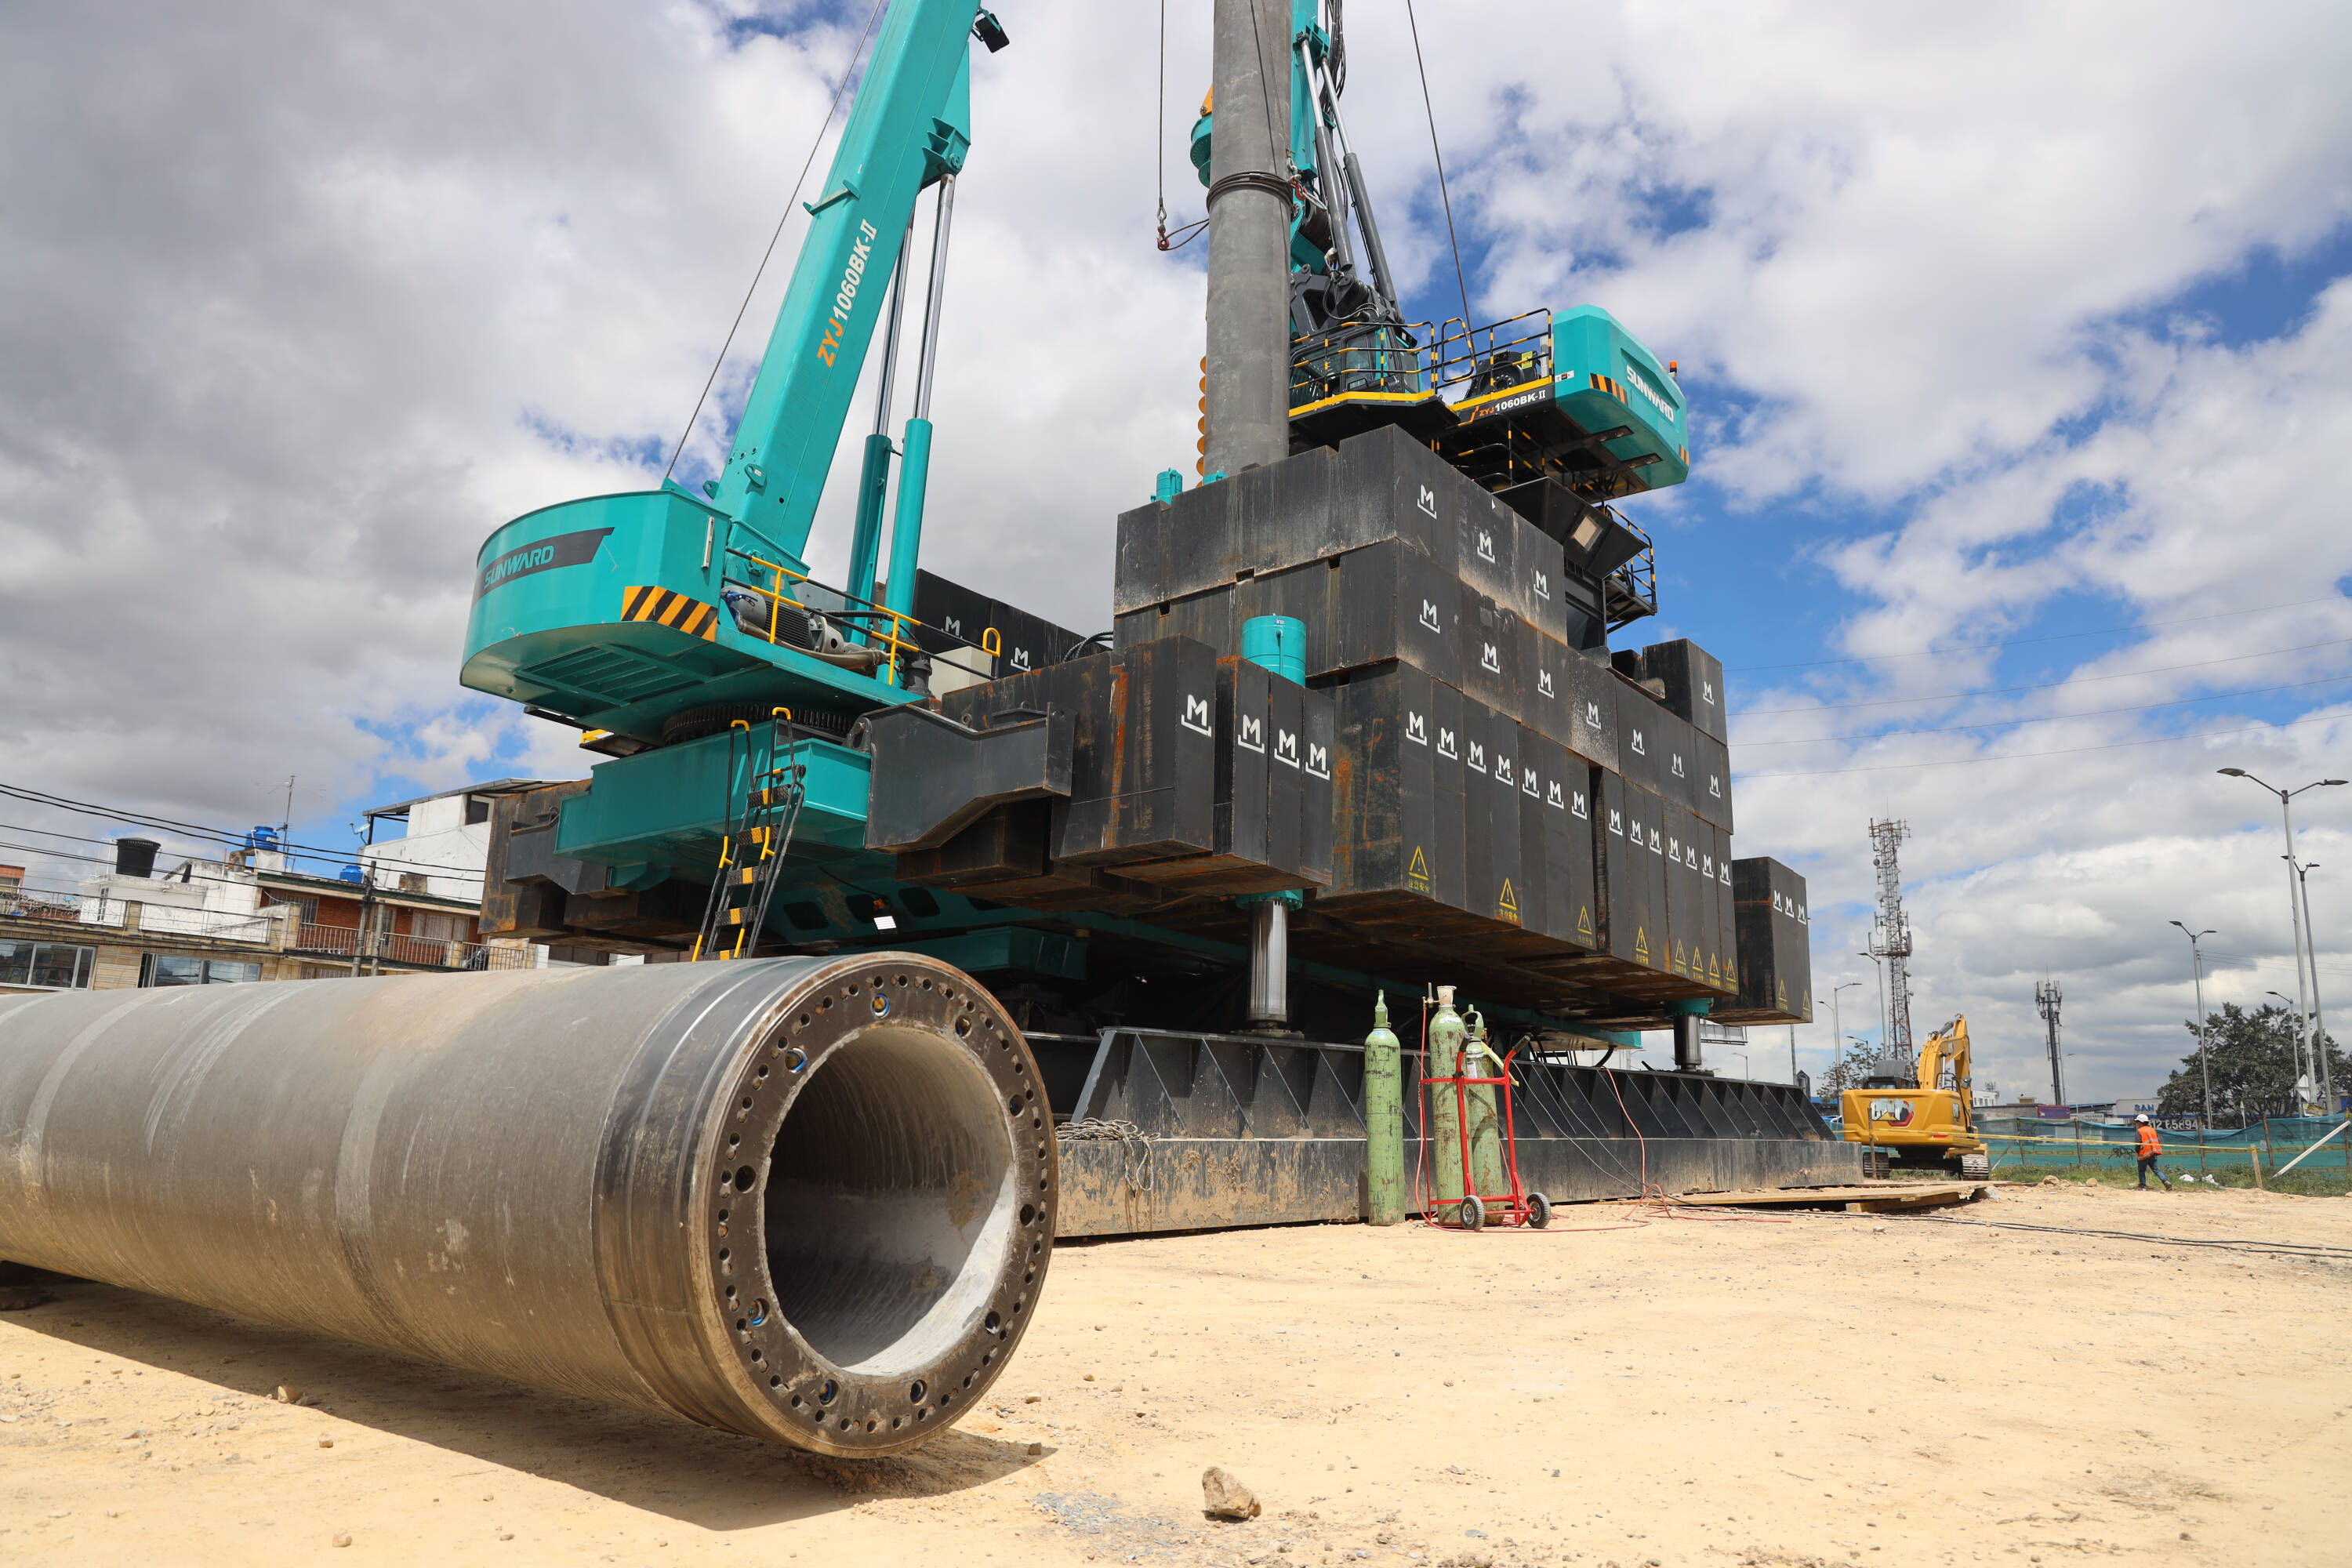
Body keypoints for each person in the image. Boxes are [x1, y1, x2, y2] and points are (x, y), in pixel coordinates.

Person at [2134, 1113, 2171, 1191]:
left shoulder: (2139, 1131)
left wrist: (2137, 1151)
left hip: (2144, 1153)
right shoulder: (2152, 1130)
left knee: (2141, 1170)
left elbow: (2138, 1143)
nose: (2137, 1123)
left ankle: (2142, 1185)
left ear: (2141, 1122)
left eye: (2137, 1122)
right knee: (2156, 1169)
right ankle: (2166, 1181)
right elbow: (2157, 1140)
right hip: (2153, 1152)